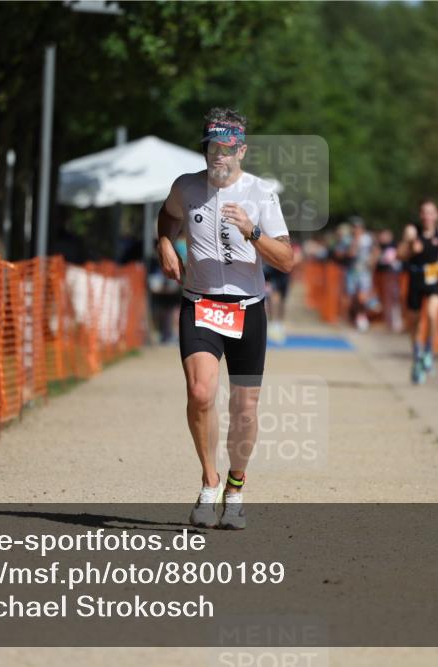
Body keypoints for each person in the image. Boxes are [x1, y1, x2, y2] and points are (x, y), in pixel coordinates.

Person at [156, 108, 293, 530]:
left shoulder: (261, 193)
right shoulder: (186, 186)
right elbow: (168, 215)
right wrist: (164, 243)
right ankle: (209, 481)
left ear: (242, 152)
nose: (219, 156)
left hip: (247, 310)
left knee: (244, 410)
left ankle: (235, 487)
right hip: (200, 305)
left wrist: (253, 232)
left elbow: (287, 260)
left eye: (227, 149)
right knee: (200, 393)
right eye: (213, 148)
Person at [398, 199, 438, 384]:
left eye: (431, 212)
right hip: (415, 279)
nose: (427, 216)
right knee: (414, 324)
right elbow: (399, 254)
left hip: (433, 278)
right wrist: (410, 247)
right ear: (420, 214)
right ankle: (417, 357)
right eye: (424, 212)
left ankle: (429, 351)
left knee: (432, 313)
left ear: (437, 215)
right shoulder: (412, 231)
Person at [373, 228, 402, 333]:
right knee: (385, 300)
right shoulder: (379, 247)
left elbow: (389, 260)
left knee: (393, 300)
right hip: (382, 276)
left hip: (391, 276)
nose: (382, 238)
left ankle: (394, 323)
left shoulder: (393, 246)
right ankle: (387, 321)